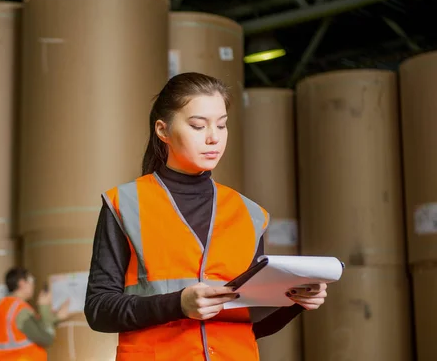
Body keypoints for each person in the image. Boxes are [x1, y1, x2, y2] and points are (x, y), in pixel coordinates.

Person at [84, 72, 329, 360]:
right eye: (198, 126)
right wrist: (178, 304)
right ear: (162, 131)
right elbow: (99, 310)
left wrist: (294, 303)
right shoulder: (124, 203)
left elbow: (250, 325)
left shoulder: (250, 214)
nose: (214, 137)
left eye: (222, 125)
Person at [0, 267, 70, 361]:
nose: (33, 284)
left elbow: (31, 328)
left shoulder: (2, 306)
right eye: (31, 280)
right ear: (21, 283)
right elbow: (46, 339)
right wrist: (44, 307)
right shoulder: (20, 310)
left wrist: (56, 317)